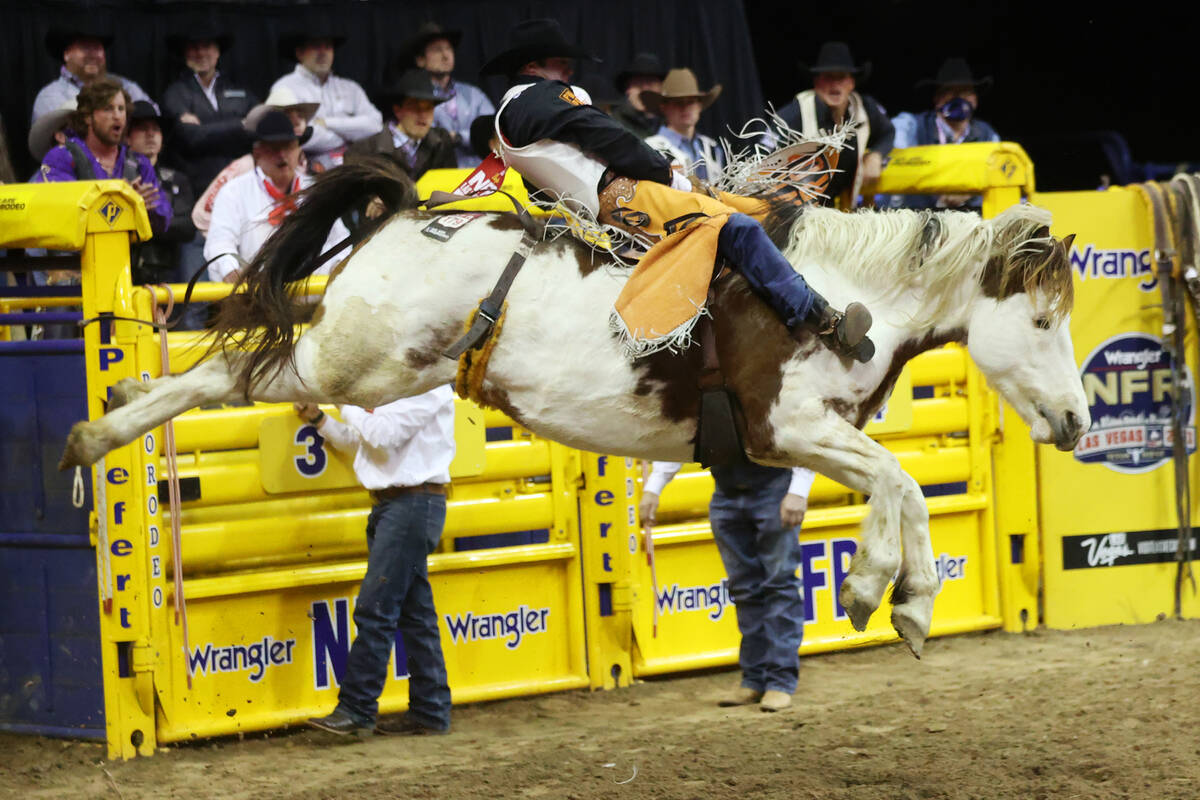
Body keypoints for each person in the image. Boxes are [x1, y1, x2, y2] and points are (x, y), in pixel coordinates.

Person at [481, 18, 874, 361]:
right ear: (532, 67)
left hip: (605, 205)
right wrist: (664, 173)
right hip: (625, 195)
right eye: (559, 64)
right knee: (734, 226)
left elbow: (539, 190)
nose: (567, 71)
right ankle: (820, 319)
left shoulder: (512, 119)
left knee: (756, 210)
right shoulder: (538, 98)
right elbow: (603, 133)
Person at [299, 386, 456, 737]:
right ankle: (430, 710)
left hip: (408, 507)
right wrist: (322, 419)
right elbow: (368, 444)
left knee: (377, 607)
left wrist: (342, 400)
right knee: (414, 614)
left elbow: (379, 436)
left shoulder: (428, 389)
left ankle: (357, 707)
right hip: (406, 505)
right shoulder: (415, 388)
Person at [640, 461, 815, 711]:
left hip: (769, 488)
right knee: (747, 589)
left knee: (778, 584)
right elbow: (688, 428)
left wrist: (798, 490)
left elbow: (797, 434)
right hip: (729, 491)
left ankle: (778, 682)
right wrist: (654, 487)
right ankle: (756, 679)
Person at [203, 110, 349, 284]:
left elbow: (340, 240)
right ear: (257, 154)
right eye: (274, 148)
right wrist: (230, 269)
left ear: (298, 150)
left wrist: (337, 266)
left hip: (312, 296)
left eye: (288, 147)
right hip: (255, 297)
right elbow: (219, 242)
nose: (282, 155)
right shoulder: (234, 191)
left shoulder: (316, 191)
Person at [34, 78, 170, 234]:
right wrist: (122, 200)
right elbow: (56, 210)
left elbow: (163, 221)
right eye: (108, 109)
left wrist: (144, 209)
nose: (117, 116)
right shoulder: (62, 157)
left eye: (121, 109)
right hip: (74, 257)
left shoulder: (139, 163)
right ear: (87, 117)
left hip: (123, 256)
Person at [774, 42, 893, 208]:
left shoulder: (864, 108)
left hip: (840, 208)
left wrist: (876, 155)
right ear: (816, 82)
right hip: (793, 209)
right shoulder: (793, 115)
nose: (835, 84)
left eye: (841, 77)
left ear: (852, 83)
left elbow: (888, 132)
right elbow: (764, 164)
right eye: (828, 77)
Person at [191, 87, 318, 234]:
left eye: (300, 116)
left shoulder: (306, 166)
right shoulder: (244, 167)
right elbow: (203, 215)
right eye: (287, 117)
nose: (295, 122)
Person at [889, 58, 1000, 211]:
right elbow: (892, 150)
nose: (959, 98)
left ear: (975, 99)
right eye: (951, 92)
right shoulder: (911, 125)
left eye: (966, 91)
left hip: (971, 221)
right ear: (937, 98)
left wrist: (968, 190)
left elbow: (1000, 172)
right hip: (918, 220)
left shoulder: (987, 134)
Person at [161, 26, 259, 193]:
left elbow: (259, 126)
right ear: (185, 54)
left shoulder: (240, 90)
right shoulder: (176, 93)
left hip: (244, 179)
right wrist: (241, 124)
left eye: (206, 46)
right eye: (194, 48)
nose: (200, 53)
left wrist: (205, 128)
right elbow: (191, 137)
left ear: (217, 52)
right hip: (198, 186)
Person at [270, 32, 382, 171]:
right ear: (300, 53)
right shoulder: (284, 87)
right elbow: (298, 136)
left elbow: (375, 125)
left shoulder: (350, 88)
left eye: (328, 47)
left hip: (354, 167)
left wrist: (326, 123)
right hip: (308, 169)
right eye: (316, 46)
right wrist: (352, 135)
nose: (323, 53)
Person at [402, 21, 495, 168]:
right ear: (420, 60)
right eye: (437, 50)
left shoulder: (473, 94)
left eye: (449, 49)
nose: (446, 55)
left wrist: (457, 137)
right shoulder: (415, 98)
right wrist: (468, 137)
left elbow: (492, 133)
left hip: (479, 177)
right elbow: (421, 138)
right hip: (436, 176)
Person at [126, 101, 197, 289]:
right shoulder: (118, 177)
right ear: (127, 138)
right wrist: (161, 220)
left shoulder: (176, 179)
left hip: (167, 278)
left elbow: (187, 228)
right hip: (125, 275)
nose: (150, 134)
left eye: (156, 129)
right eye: (142, 128)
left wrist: (143, 221)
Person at [347, 69, 456, 180]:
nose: (423, 115)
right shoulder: (363, 151)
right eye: (415, 107)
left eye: (428, 108)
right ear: (397, 110)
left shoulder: (441, 141)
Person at [32, 27, 154, 122]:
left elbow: (153, 116)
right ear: (67, 54)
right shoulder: (50, 96)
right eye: (85, 48)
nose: (93, 55)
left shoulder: (124, 85)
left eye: (97, 48)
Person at [643, 68, 727, 182]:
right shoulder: (651, 148)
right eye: (678, 102)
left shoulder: (712, 148)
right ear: (664, 107)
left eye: (691, 101)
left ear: (699, 106)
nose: (685, 107)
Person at [610, 52, 667, 139]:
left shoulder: (671, 122)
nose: (645, 91)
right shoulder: (613, 124)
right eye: (638, 84)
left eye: (650, 84)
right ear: (628, 89)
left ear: (661, 90)